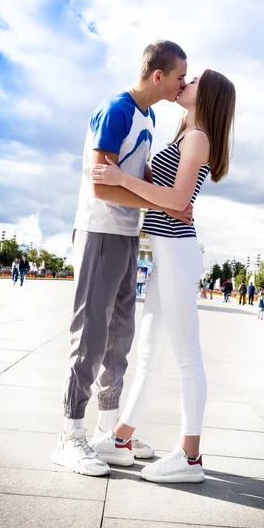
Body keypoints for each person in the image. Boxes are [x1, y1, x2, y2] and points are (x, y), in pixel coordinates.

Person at [52, 40, 191, 477]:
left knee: (119, 336)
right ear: (158, 77)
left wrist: (163, 198)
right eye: (179, 76)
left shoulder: (147, 116)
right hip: (98, 230)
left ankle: (107, 432)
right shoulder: (116, 109)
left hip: (127, 234)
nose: (182, 83)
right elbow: (101, 185)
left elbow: (133, 178)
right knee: (91, 334)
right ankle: (70, 435)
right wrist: (163, 205)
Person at [90, 69, 236, 483]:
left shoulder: (198, 138)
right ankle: (121, 438)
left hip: (177, 250)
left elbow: (177, 200)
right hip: (166, 251)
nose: (185, 84)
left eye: (194, 81)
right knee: (151, 352)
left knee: (187, 354)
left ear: (207, 96)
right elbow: (165, 199)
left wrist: (120, 178)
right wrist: (140, 187)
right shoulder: (184, 135)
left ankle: (190, 458)